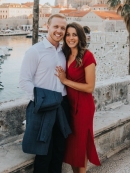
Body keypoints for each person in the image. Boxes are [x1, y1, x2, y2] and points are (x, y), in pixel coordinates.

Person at [19, 14, 71, 173]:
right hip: (43, 105)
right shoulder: (35, 51)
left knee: (59, 150)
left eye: (63, 28)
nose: (59, 30)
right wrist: (41, 100)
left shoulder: (64, 53)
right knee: (43, 152)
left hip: (62, 105)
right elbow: (24, 81)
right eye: (56, 26)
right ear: (47, 26)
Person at [55, 22, 101, 173]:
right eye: (68, 34)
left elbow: (90, 87)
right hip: (69, 106)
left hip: (83, 107)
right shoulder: (65, 54)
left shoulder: (87, 56)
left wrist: (65, 80)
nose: (70, 38)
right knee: (73, 146)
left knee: (80, 146)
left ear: (80, 36)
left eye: (74, 34)